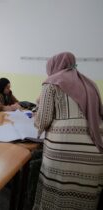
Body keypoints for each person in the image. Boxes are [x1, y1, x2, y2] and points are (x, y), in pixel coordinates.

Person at [33, 52, 103, 210]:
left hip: (64, 153)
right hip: (95, 153)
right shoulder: (91, 84)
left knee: (58, 198)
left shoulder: (51, 83)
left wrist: (37, 107)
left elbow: (42, 121)